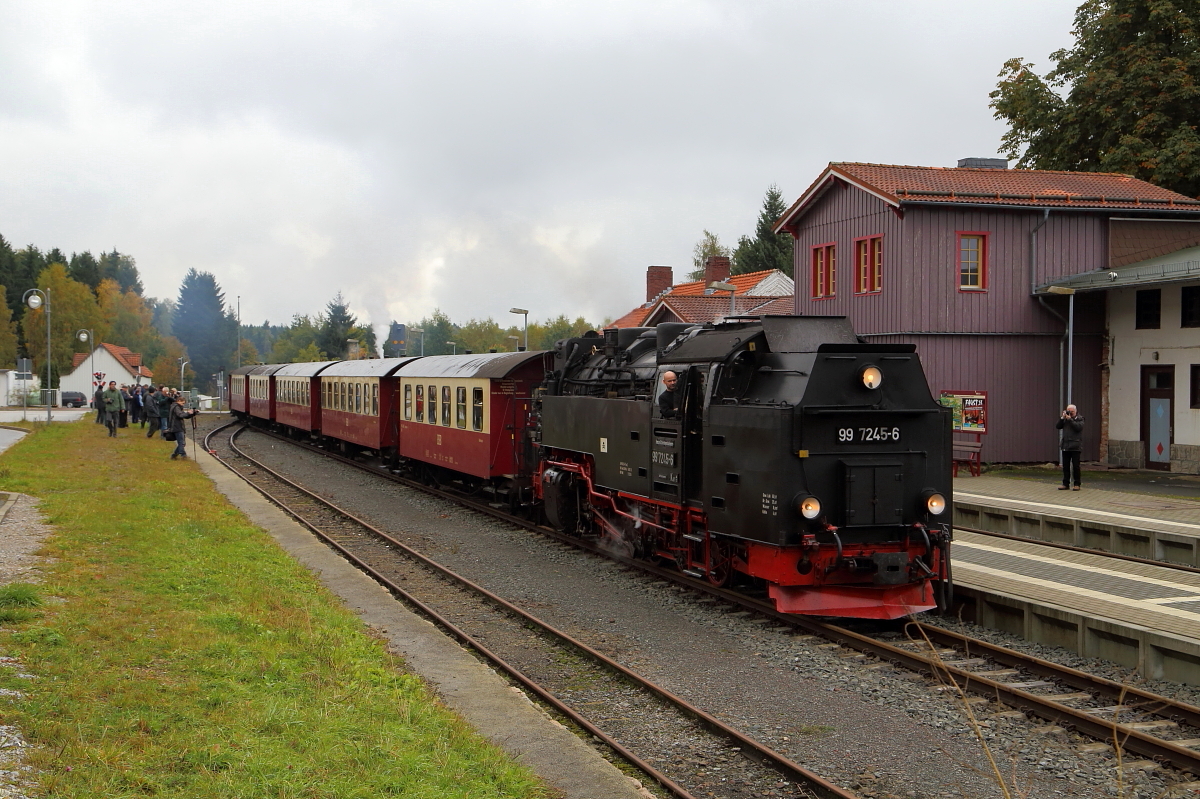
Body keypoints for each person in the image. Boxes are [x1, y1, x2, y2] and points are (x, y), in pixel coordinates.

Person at [1056, 404, 1085, 490]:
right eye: (1069, 411)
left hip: (1076, 446)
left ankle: (1077, 484)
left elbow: (1078, 428)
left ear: (1075, 411)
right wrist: (1062, 418)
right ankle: (1065, 483)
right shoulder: (1065, 419)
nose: (1070, 413)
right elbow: (1058, 426)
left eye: (1072, 411)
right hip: (1066, 445)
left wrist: (1070, 419)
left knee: (1076, 466)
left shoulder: (1080, 419)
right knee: (1066, 466)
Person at [168, 395, 200, 459]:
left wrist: (192, 413)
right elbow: (180, 415)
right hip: (177, 427)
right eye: (183, 403)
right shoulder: (176, 407)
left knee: (182, 443)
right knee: (181, 442)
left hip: (178, 426)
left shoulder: (176, 407)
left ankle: (174, 455)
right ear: (179, 401)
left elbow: (184, 416)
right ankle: (183, 455)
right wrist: (188, 413)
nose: (183, 405)